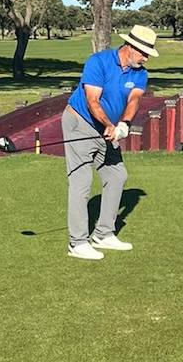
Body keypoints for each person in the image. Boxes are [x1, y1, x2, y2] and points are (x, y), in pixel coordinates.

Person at [61, 24, 157, 260]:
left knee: (117, 175)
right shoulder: (98, 62)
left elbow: (134, 100)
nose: (145, 58)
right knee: (81, 181)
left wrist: (124, 123)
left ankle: (103, 233)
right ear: (130, 47)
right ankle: (77, 242)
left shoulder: (140, 73)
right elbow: (93, 101)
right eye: (143, 53)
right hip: (80, 122)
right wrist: (109, 126)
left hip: (109, 128)